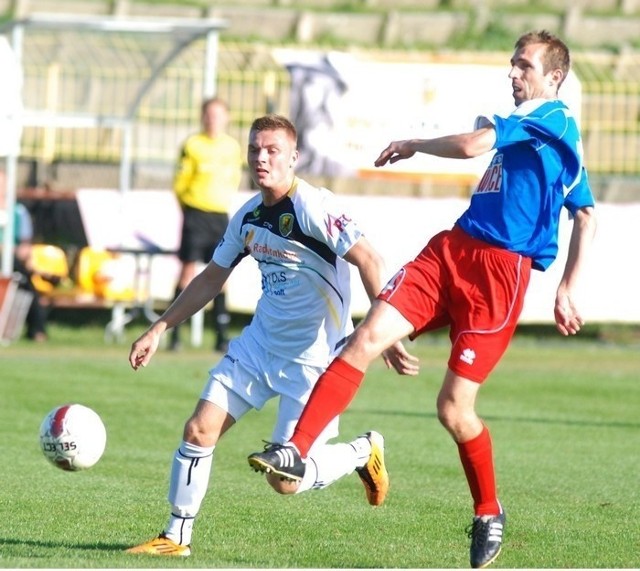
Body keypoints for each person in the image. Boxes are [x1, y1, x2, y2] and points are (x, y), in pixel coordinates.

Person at [247, 30, 597, 569]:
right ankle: (296, 449)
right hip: (452, 252)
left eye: (524, 65)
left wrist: (569, 284)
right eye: (511, 63)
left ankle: (487, 510)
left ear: (554, 78)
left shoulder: (554, 119)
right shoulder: (542, 138)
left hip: (498, 279)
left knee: (454, 411)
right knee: (364, 339)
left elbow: (564, 200)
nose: (513, 73)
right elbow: (577, 202)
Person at [125, 114, 419, 557]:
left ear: (293, 158)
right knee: (199, 429)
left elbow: (371, 260)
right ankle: (175, 537)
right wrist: (159, 327)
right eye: (254, 150)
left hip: (314, 361)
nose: (261, 158)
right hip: (259, 348)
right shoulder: (247, 216)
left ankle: (363, 451)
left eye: (272, 150)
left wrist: (383, 329)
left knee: (284, 481)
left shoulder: (315, 207)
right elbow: (211, 277)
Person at [169, 97, 243, 352]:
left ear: (227, 118)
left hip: (220, 216)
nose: (213, 120)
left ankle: (221, 335)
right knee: (188, 272)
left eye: (218, 115)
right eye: (209, 115)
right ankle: (173, 334)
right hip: (196, 214)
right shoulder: (193, 145)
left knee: (222, 274)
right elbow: (180, 182)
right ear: (202, 117)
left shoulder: (232, 147)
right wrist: (188, 209)